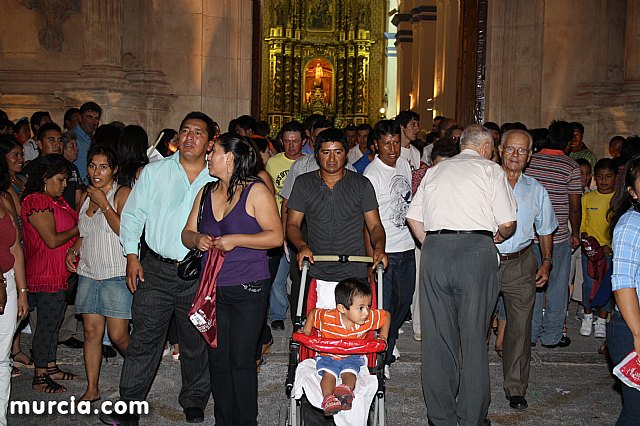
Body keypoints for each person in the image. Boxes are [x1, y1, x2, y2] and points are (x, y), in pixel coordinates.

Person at [101, 112, 216, 425]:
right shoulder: (154, 172)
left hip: (198, 272)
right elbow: (134, 216)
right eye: (185, 131)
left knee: (196, 340)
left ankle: (194, 399)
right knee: (144, 340)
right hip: (155, 268)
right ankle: (129, 405)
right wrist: (131, 255)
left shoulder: (217, 178)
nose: (190, 137)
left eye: (198, 132)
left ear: (209, 141)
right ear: (176, 138)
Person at [406, 124, 516, 425]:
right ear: (485, 148)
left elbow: (413, 217)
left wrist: (433, 244)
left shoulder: (436, 171)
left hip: (435, 250)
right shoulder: (491, 170)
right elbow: (507, 223)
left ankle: (440, 417)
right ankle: (471, 417)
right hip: (475, 251)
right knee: (473, 338)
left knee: (438, 339)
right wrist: (498, 234)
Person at [182, 133, 283, 425]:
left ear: (229, 157)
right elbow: (185, 233)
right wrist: (197, 238)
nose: (207, 156)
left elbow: (276, 237)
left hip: (248, 286)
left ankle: (246, 421)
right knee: (217, 359)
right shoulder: (206, 191)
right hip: (212, 287)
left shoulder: (256, 191)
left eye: (213, 152)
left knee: (240, 360)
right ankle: (223, 420)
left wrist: (236, 240)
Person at [286, 128, 388, 315]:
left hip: (353, 270)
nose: (332, 159)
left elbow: (374, 225)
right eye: (326, 152)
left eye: (338, 152)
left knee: (355, 332)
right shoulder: (303, 183)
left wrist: (379, 248)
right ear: (317, 155)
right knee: (319, 330)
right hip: (318, 269)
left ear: (346, 154)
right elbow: (292, 224)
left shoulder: (361, 184)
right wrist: (301, 245)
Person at [495, 130, 558, 410]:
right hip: (485, 260)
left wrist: (546, 261)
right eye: (510, 149)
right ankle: (469, 382)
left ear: (530, 156)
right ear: (500, 150)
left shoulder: (537, 190)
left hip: (521, 263)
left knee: (520, 329)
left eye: (522, 151)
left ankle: (516, 387)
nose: (515, 155)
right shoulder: (486, 182)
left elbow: (545, 229)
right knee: (475, 326)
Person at [64, 145, 132, 402]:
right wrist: (74, 248)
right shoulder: (84, 196)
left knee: (118, 336)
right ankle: (92, 388)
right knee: (91, 333)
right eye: (92, 165)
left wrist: (104, 204)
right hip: (89, 273)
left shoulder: (122, 193)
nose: (96, 172)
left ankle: (140, 366)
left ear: (114, 170)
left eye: (103, 167)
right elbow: (85, 232)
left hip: (115, 272)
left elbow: (126, 233)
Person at [20, 154, 79, 393]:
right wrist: (79, 227)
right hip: (46, 272)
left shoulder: (57, 201)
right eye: (60, 179)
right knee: (45, 325)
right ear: (45, 178)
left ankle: (51, 365)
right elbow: (52, 240)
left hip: (60, 272)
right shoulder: (36, 201)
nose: (65, 185)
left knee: (54, 323)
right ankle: (40, 375)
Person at [363, 120, 414, 377]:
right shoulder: (372, 175)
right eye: (386, 144)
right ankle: (381, 356)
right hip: (386, 251)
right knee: (384, 307)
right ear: (376, 145)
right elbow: (366, 221)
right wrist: (369, 257)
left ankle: (389, 341)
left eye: (396, 142)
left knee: (404, 301)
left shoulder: (404, 164)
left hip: (407, 245)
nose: (393, 149)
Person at [526, 120, 582, 348]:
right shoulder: (570, 166)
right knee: (558, 286)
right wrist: (575, 231)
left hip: (530, 236)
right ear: (569, 142)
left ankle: (529, 333)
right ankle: (551, 336)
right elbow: (575, 205)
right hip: (557, 236)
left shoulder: (532, 162)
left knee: (532, 285)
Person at [303, 278, 389, 415]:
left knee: (350, 373)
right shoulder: (328, 317)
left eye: (368, 306)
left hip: (352, 355)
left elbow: (386, 316)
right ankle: (328, 398)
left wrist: (383, 337)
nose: (366, 312)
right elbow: (313, 313)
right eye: (361, 308)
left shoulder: (367, 319)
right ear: (342, 308)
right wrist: (306, 332)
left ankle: (345, 390)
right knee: (328, 374)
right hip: (328, 355)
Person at [608, 155, 640, 425]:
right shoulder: (631, 224)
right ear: (632, 191)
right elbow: (623, 283)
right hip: (632, 328)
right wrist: (638, 335)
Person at [265, 120, 305, 330]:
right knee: (278, 275)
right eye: (287, 141)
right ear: (281, 142)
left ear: (303, 142)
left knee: (300, 275)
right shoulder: (273, 163)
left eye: (295, 141)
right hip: (277, 223)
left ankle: (301, 313)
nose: (291, 146)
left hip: (301, 226)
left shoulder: (308, 163)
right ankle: (278, 313)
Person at [0, 154, 28, 425]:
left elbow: (15, 247)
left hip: (7, 284)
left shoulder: (4, 198)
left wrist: (22, 291)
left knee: (1, 358)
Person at [579, 158, 617, 338]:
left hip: (610, 251)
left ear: (615, 178)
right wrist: (586, 241)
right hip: (591, 252)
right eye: (600, 177)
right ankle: (587, 316)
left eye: (608, 177)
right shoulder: (587, 198)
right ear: (595, 177)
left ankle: (601, 320)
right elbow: (582, 223)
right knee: (588, 284)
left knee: (606, 285)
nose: (604, 181)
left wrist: (610, 246)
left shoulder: (618, 200)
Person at [71, 101, 102, 182]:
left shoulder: (99, 136)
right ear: (80, 118)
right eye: (89, 117)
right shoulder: (71, 137)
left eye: (96, 118)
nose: (93, 122)